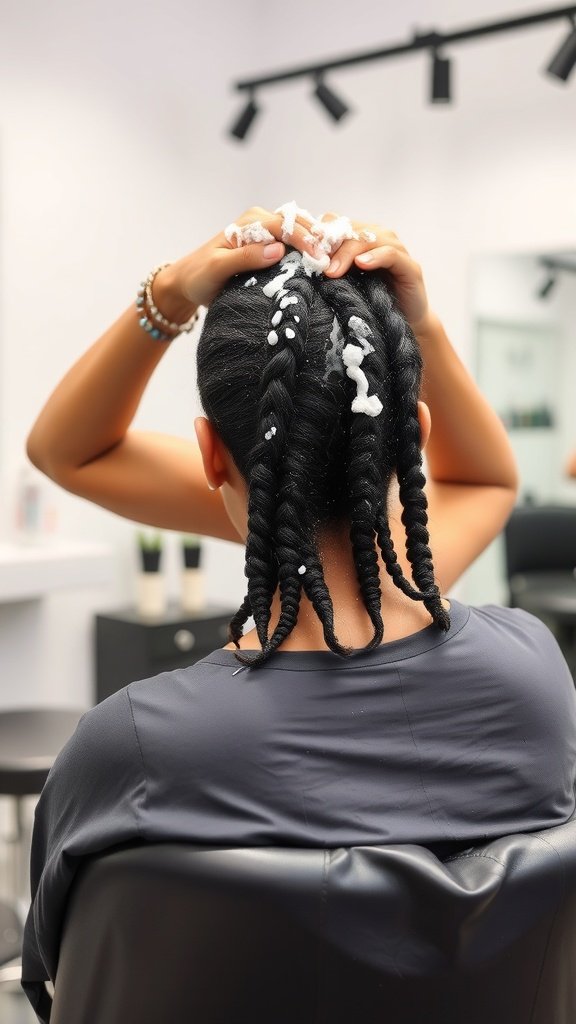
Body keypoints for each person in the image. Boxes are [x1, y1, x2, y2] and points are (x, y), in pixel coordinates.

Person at [22, 205, 576, 1020]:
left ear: (213, 456)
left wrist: (169, 293)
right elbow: (488, 478)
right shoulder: (535, 680)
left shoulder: (134, 748)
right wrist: (417, 324)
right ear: (415, 436)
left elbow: (63, 449)